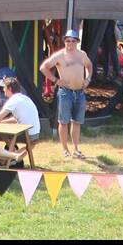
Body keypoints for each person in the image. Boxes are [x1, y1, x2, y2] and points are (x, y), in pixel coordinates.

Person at [40, 29, 92, 159]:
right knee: (63, 121)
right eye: (68, 40)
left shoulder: (82, 54)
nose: (70, 43)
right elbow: (43, 67)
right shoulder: (60, 55)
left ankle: (76, 149)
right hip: (65, 93)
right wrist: (56, 80)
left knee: (77, 121)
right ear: (64, 41)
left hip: (79, 92)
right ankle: (64, 149)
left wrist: (88, 79)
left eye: (73, 41)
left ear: (77, 42)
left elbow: (89, 66)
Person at [0, 77, 41, 141]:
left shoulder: (13, 100)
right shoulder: (25, 98)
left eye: (4, 87)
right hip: (35, 134)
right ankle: (11, 150)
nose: (3, 89)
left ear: (9, 88)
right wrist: (2, 122)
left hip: (27, 135)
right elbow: (17, 119)